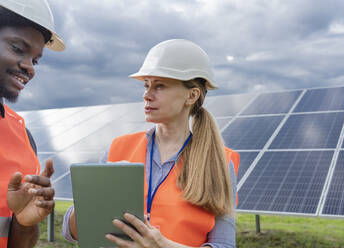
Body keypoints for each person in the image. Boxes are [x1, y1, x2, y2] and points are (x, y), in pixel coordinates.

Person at [63, 39, 239, 247]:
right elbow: (71, 231)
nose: (147, 95)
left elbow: (225, 244)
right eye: (146, 85)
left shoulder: (220, 162)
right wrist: (92, 197)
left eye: (160, 86)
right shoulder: (119, 148)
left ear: (192, 95)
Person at [0, 0, 65, 247]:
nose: (29, 67)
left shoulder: (23, 136)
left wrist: (25, 223)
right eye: (18, 48)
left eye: (35, 60)